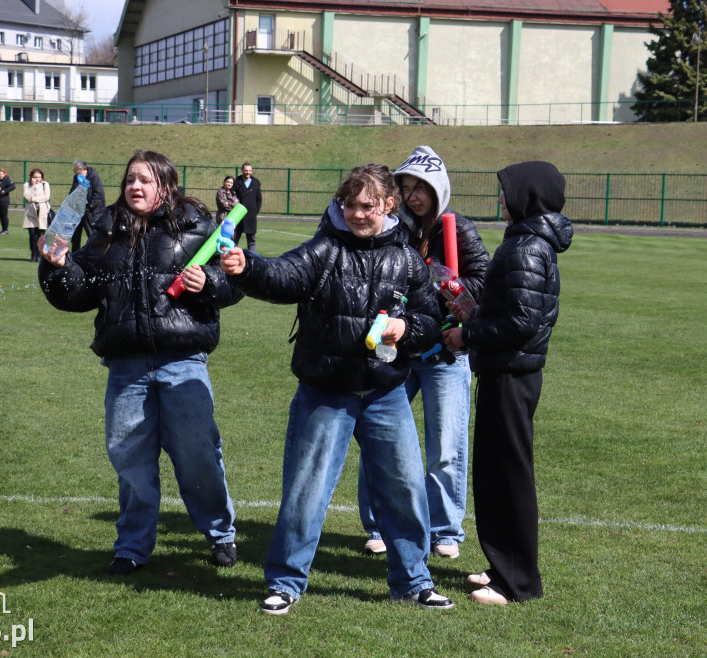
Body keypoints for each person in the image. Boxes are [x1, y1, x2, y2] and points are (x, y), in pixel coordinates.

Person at [221, 164, 454, 615]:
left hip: (386, 396)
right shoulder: (326, 248)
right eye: (349, 204)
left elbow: (430, 322)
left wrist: (406, 328)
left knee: (405, 490)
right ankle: (285, 582)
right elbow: (285, 274)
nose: (357, 214)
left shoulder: (407, 260)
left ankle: (413, 582)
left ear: (389, 205)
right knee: (306, 491)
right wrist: (247, 267)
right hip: (325, 392)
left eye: (367, 206)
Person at [38, 149, 240, 575]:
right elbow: (78, 291)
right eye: (130, 179)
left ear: (165, 184)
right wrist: (55, 267)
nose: (135, 187)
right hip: (127, 364)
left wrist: (209, 283)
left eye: (145, 180)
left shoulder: (195, 224)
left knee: (198, 454)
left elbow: (233, 279)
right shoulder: (109, 230)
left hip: (183, 359)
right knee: (130, 457)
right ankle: (131, 546)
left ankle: (220, 534)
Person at [441, 160, 573, 606]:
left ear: (527, 197)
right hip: (506, 371)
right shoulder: (524, 242)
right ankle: (503, 567)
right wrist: (473, 312)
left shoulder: (526, 248)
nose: (501, 199)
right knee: (495, 474)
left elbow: (521, 321)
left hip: (512, 375)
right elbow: (515, 313)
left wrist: (468, 334)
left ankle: (518, 582)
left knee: (509, 476)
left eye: (507, 192)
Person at [357, 145, 489, 560]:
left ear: (438, 190)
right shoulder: (391, 228)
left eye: (422, 187)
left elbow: (483, 278)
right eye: (407, 186)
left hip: (447, 352)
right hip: (397, 348)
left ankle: (445, 529)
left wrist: (456, 293)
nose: (414, 195)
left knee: (446, 445)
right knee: (380, 440)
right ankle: (377, 524)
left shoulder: (458, 229)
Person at [69, 159, 107, 253]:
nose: (74, 172)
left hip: (90, 211)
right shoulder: (76, 178)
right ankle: (74, 256)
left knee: (92, 234)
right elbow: (72, 192)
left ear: (80, 169)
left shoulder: (93, 176)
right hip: (77, 211)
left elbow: (99, 194)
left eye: (75, 170)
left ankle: (95, 255)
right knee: (75, 236)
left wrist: (89, 206)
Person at [230, 162, 261, 251]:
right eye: (246, 170)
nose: (248, 172)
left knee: (251, 240)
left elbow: (259, 199)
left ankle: (252, 259)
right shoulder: (236, 182)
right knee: (234, 239)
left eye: (249, 170)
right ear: (242, 171)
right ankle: (232, 258)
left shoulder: (256, 182)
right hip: (238, 215)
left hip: (251, 215)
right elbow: (231, 195)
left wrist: (255, 210)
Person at [22, 168, 51, 262]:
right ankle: (33, 254)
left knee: (41, 235)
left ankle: (40, 255)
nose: (37, 179)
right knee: (32, 235)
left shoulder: (45, 184)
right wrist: (33, 186)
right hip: (31, 213)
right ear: (31, 177)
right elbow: (26, 196)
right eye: (35, 177)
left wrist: (33, 199)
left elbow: (46, 197)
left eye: (39, 177)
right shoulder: (27, 185)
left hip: (42, 212)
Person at [0, 168, 16, 235]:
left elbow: (13, 186)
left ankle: (5, 230)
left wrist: (5, 191)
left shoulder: (6, 180)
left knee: (4, 215)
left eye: (1, 174)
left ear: (4, 174)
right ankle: (3, 230)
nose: (0, 175)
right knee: (0, 216)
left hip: (4, 200)